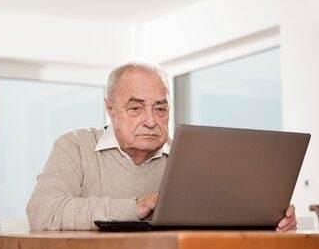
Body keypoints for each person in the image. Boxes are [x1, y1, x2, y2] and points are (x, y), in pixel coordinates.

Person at [26, 62, 297, 231]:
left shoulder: (192, 158)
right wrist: (136, 207)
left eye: (160, 108)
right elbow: (43, 212)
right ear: (110, 109)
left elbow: (222, 218)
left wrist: (270, 219)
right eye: (135, 108)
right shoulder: (75, 146)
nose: (151, 121)